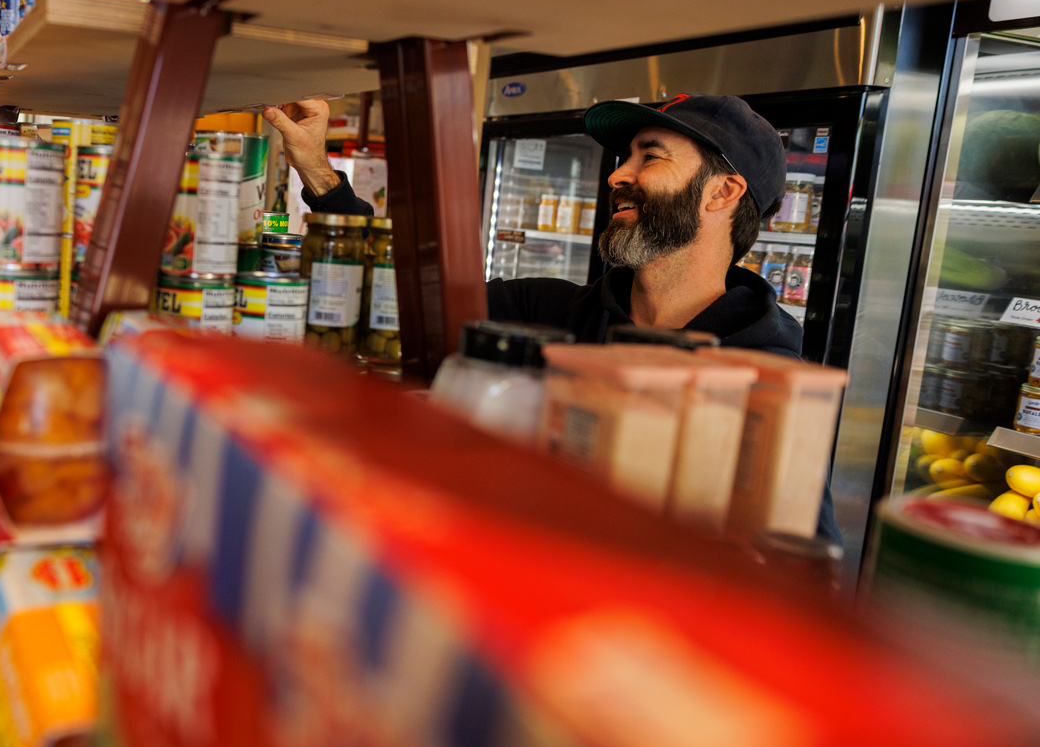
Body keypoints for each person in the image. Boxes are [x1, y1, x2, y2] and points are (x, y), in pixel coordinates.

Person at [263, 94, 841, 544]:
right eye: (624, 156)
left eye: (651, 156)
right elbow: (402, 297)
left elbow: (797, 571)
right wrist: (316, 169)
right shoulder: (544, 313)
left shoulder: (769, 380)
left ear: (723, 193)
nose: (618, 174)